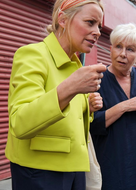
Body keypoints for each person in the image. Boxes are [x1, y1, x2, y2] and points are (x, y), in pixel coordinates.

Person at [6, 0, 106, 189]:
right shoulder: (33, 55)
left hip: (75, 169)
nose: (98, 32)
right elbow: (20, 122)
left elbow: (70, 121)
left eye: (99, 26)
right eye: (90, 22)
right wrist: (71, 87)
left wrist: (89, 108)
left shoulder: (75, 64)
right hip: (39, 172)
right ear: (63, 19)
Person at [90, 23, 136, 190]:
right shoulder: (97, 81)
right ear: (110, 49)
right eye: (118, 47)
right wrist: (124, 106)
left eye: (130, 49)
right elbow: (92, 124)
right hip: (109, 162)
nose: (122, 54)